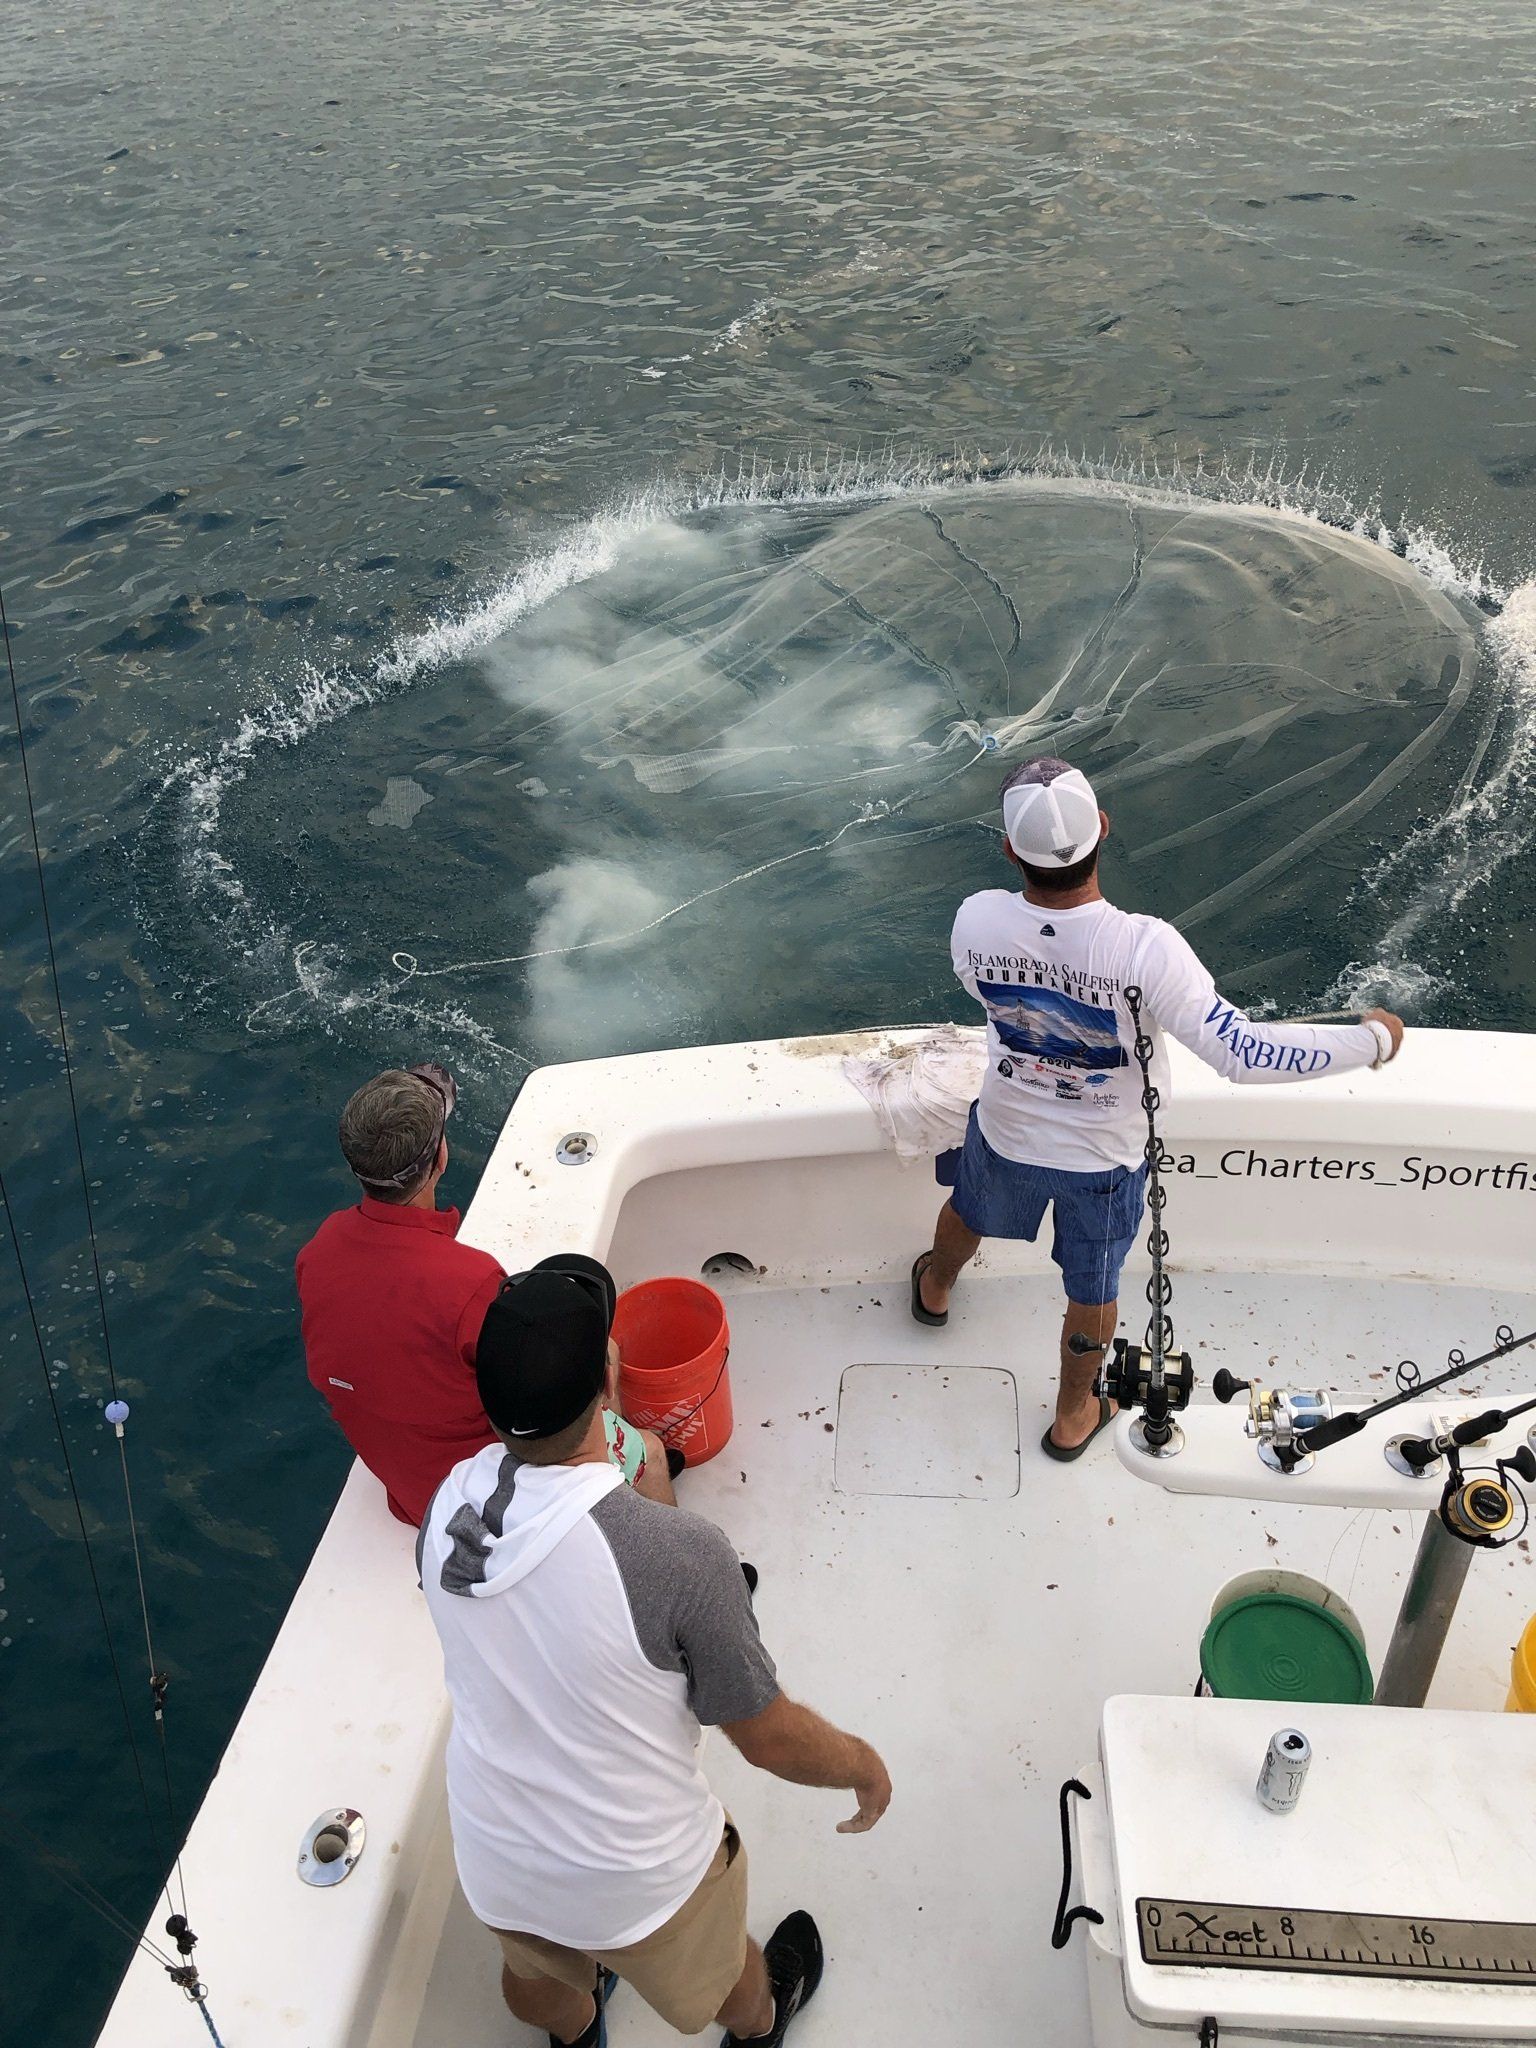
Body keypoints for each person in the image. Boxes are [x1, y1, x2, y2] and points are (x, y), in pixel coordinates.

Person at [419, 1260, 891, 2048]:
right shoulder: (681, 1557)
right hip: (635, 1878)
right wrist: (863, 1767)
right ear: (610, 1378)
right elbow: (766, 1737)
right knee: (728, 1979)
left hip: (498, 1856)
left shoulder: (443, 1509)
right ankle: (762, 2024)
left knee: (536, 1979)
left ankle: (577, 2034)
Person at [911, 757, 1405, 1460]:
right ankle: (1072, 1418)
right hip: (1105, 1162)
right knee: (1093, 1287)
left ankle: (933, 1289)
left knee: (967, 1206)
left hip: (1006, 1128)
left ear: (1010, 851)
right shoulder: (1146, 947)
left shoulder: (976, 919)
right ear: (1104, 829)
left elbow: (984, 991)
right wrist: (1372, 1043)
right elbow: (1246, 1055)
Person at [297, 1064, 671, 1524]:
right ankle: (659, 1537)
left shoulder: (319, 1249)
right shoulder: (468, 1282)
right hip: (490, 1499)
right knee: (636, 1421)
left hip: (414, 1494)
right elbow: (533, 1387)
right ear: (440, 1159)